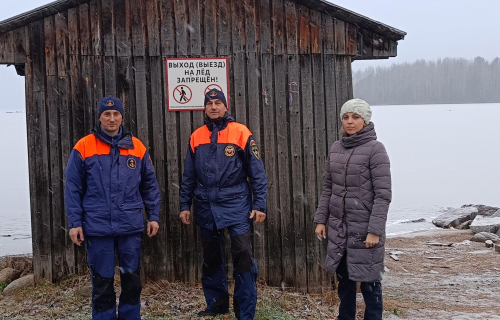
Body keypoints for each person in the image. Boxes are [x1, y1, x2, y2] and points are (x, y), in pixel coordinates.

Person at [64, 96, 161, 320]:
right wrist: (74, 223)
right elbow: (72, 188)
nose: (111, 118)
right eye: (107, 114)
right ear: (99, 117)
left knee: (131, 280)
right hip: (97, 227)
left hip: (130, 225)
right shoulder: (84, 146)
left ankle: (130, 316)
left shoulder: (137, 147)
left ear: (122, 117)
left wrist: (153, 216)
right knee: (102, 281)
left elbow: (149, 184)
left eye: (116, 114)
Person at [179, 89, 267, 320]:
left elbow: (257, 172)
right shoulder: (196, 136)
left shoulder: (241, 132)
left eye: (219, 103)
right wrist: (184, 205)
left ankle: (245, 312)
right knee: (211, 258)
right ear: (205, 108)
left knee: (243, 256)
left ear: (226, 107)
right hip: (205, 205)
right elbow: (188, 176)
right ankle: (217, 304)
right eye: (210, 103)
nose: (214, 107)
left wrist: (260, 204)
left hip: (237, 205)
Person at [314, 98, 391, 320]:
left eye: (355, 117)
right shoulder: (336, 148)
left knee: (370, 286)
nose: (350, 122)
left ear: (365, 121)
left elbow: (383, 195)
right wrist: (321, 220)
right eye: (346, 117)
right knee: (345, 286)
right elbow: (329, 188)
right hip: (339, 230)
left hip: (365, 231)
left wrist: (374, 231)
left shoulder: (376, 150)